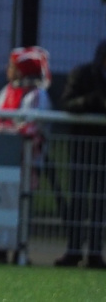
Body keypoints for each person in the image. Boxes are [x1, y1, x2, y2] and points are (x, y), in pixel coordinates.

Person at [0, 46, 52, 264]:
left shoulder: (37, 95)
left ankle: (20, 250)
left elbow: (32, 126)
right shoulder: (6, 91)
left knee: (23, 205)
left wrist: (7, 130)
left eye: (12, 67)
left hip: (28, 162)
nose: (8, 70)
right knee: (1, 204)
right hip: (4, 159)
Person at [55, 38, 106, 269]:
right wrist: (90, 101)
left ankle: (95, 253)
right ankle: (74, 250)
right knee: (78, 200)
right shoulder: (81, 74)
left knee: (100, 204)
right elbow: (67, 103)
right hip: (82, 148)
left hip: (103, 152)